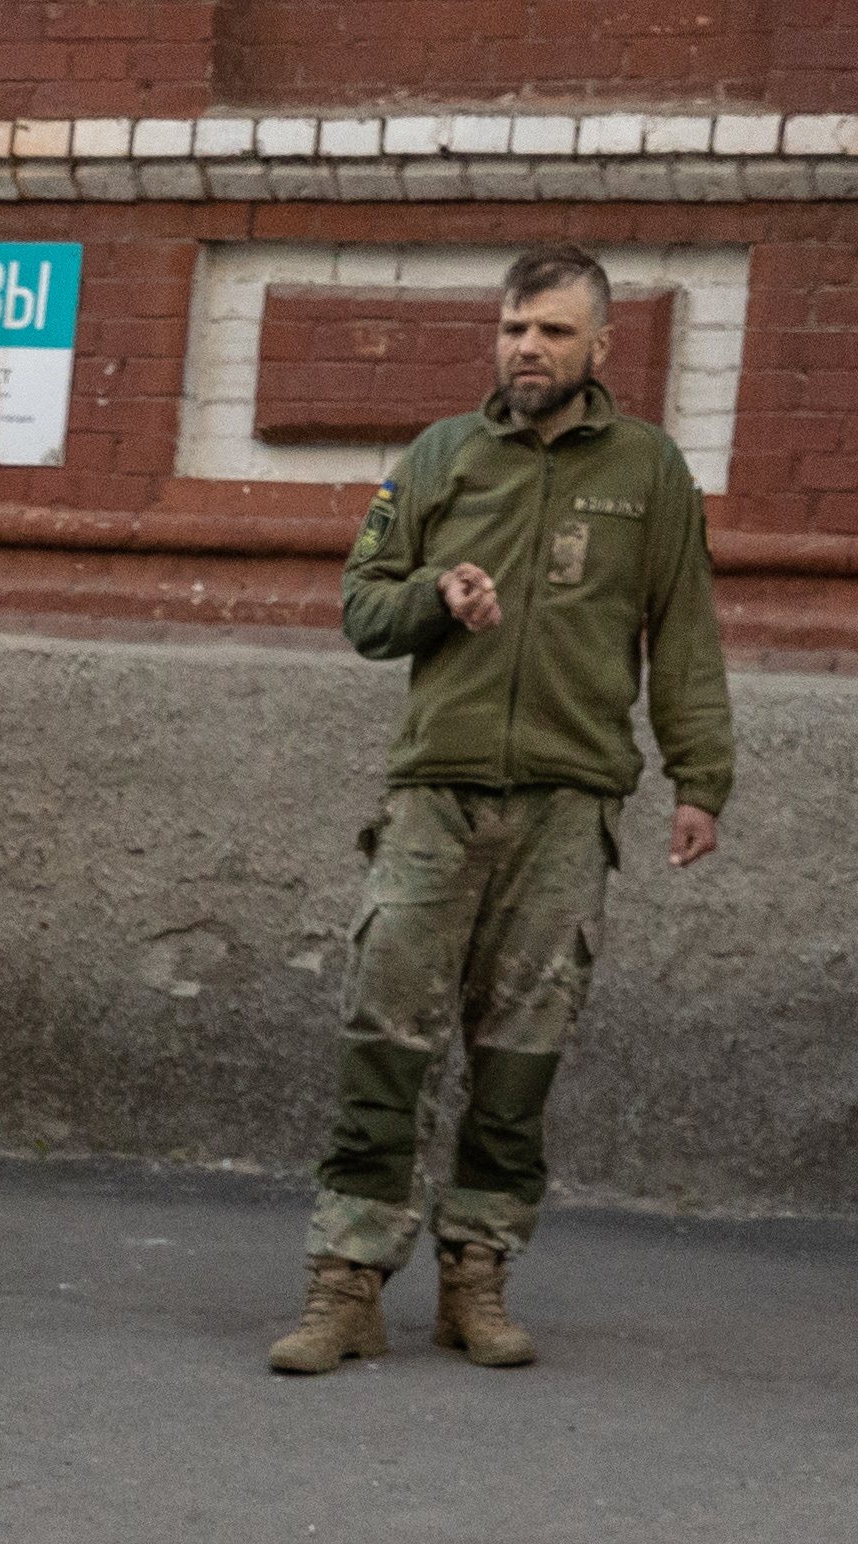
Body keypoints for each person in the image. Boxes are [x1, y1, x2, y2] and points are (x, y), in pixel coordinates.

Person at [269, 246, 731, 1379]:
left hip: (566, 805)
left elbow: (681, 636)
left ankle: (474, 1273)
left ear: (600, 347)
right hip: (434, 796)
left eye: (553, 332)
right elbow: (360, 608)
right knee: (383, 1034)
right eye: (514, 327)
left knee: (521, 1053)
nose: (527, 348)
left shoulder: (648, 473)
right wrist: (434, 594)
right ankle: (345, 1281)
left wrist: (698, 780)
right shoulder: (438, 457)